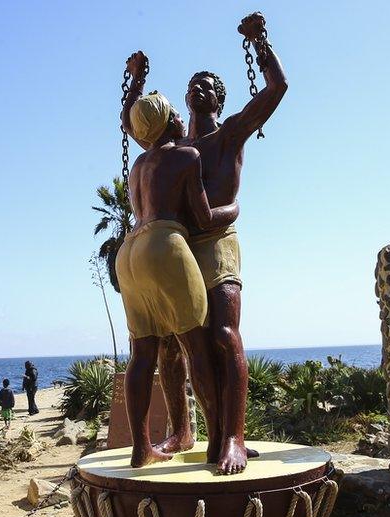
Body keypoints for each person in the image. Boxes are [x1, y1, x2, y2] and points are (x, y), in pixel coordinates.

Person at [122, 12, 287, 474]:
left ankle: (232, 437)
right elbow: (132, 122)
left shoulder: (229, 133)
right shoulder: (169, 148)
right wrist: (135, 83)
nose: (199, 88)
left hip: (215, 245)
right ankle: (182, 428)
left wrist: (260, 41)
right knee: (172, 346)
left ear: (220, 97)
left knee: (222, 334)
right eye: (193, 84)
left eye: (209, 85)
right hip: (177, 247)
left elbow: (275, 90)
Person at [115, 90, 238, 469]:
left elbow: (131, 121)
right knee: (196, 346)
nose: (183, 118)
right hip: (164, 245)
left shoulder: (138, 164)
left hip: (129, 252)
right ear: (170, 120)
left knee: (142, 354)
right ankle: (220, 440)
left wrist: (134, 87)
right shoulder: (187, 155)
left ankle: (142, 449)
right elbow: (202, 218)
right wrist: (232, 210)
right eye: (175, 114)